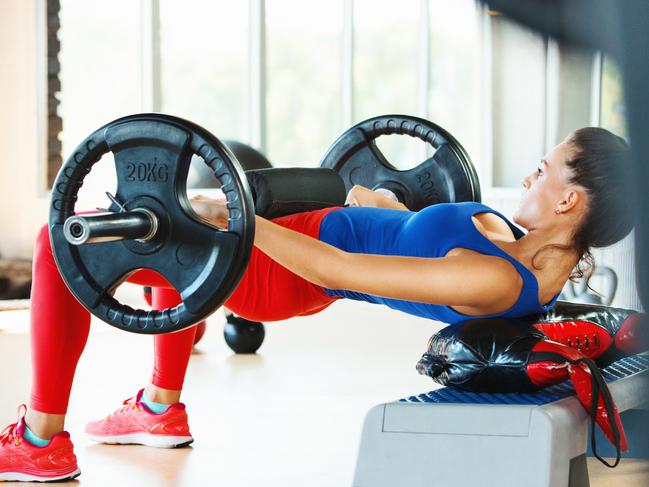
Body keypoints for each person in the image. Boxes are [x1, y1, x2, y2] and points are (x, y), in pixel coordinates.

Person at [0, 127, 634, 481]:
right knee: (171, 249)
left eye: (542, 169)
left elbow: (340, 268)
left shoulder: (500, 283)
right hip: (308, 235)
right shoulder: (518, 249)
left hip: (287, 272)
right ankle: (158, 410)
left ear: (568, 202)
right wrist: (390, 209)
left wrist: (234, 217)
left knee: (56, 244)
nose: (530, 176)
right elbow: (420, 244)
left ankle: (40, 438)